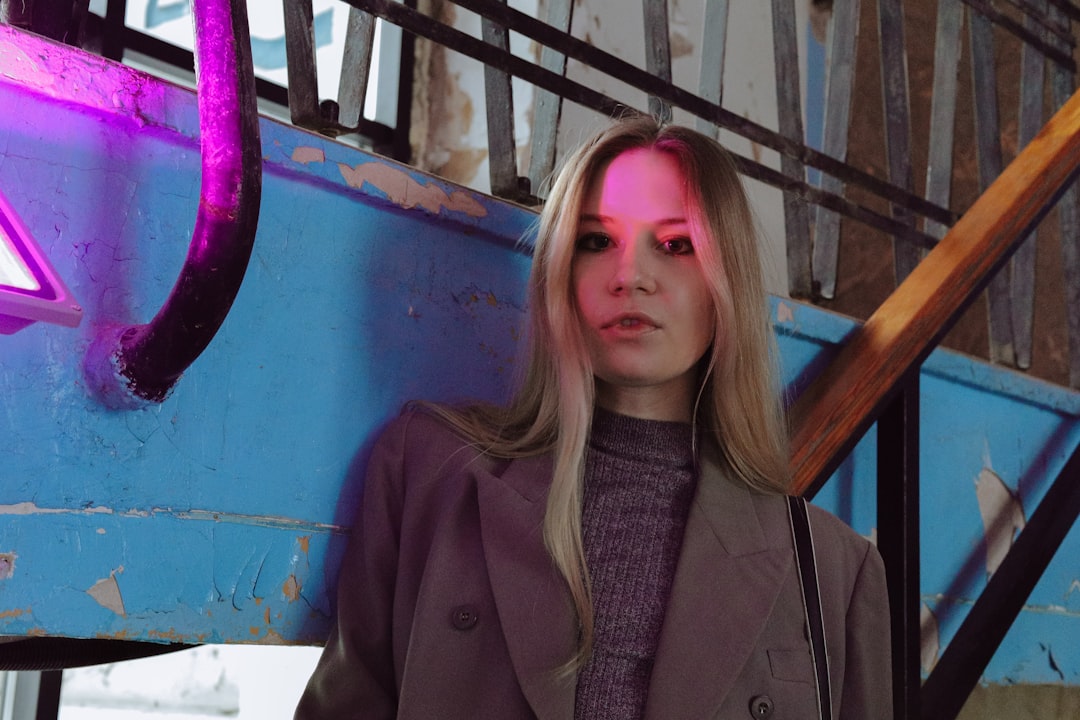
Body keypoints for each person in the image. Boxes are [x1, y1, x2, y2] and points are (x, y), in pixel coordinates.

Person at [295, 116, 892, 719]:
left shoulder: (833, 571)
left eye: (676, 244)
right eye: (596, 241)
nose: (630, 276)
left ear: (725, 284)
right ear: (559, 271)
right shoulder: (428, 473)